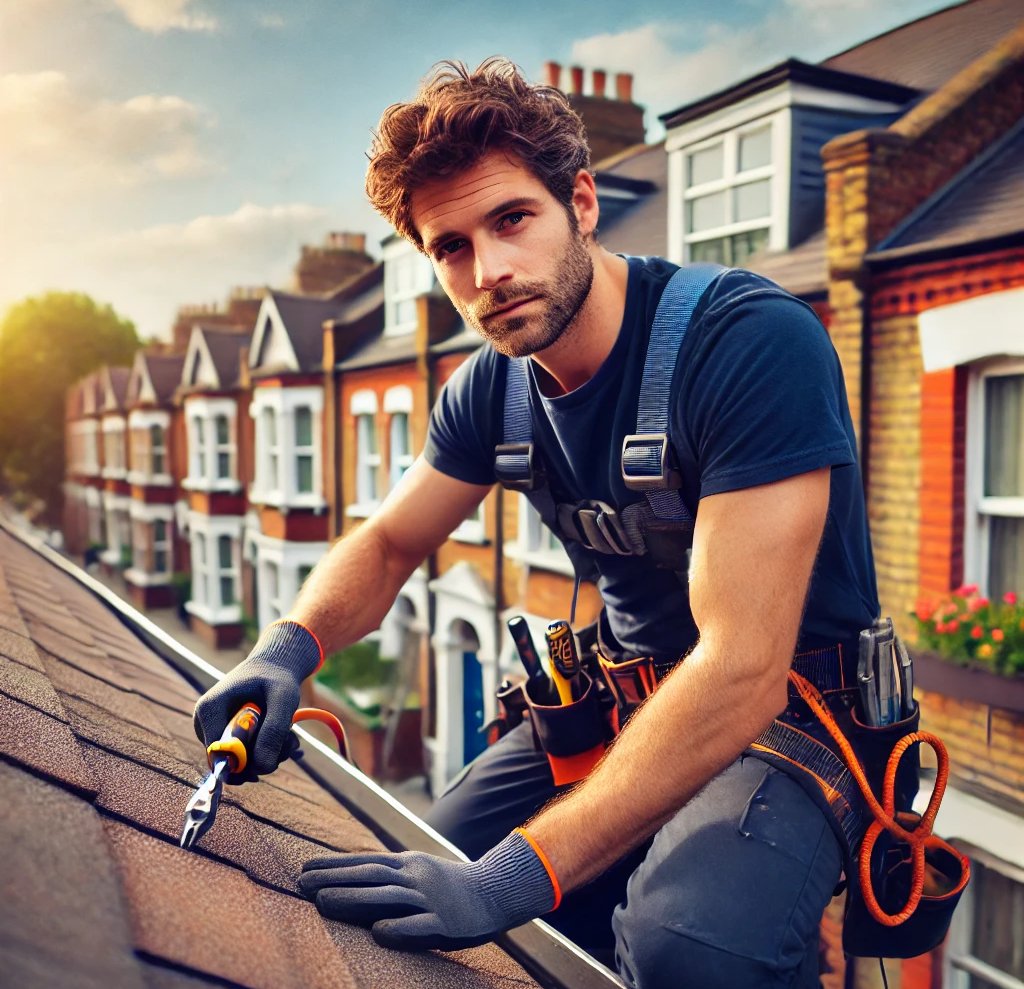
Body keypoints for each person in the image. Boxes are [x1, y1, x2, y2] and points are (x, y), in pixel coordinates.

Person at [194, 58, 885, 988]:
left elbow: (743, 665)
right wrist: (288, 647)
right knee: (411, 866)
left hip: (796, 718)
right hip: (621, 697)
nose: (491, 271)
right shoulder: (491, 390)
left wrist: (510, 878)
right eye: (451, 247)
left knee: (692, 947)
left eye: (512, 218)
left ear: (583, 203)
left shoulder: (749, 343)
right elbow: (391, 541)